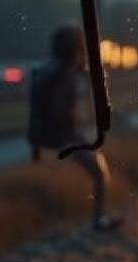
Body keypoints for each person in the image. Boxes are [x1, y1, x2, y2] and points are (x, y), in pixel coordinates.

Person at [28, 24, 123, 232]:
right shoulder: (67, 73)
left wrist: (35, 144)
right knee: (99, 172)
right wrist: (73, 129)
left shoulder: (44, 70)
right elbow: (60, 108)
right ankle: (98, 220)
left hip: (44, 135)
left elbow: (35, 109)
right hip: (63, 134)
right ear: (75, 48)